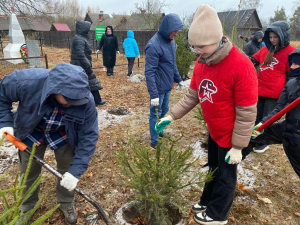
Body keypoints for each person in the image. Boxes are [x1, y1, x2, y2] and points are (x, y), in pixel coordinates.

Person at [155, 5, 258, 224]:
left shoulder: (241, 66)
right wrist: (170, 116)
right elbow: (192, 96)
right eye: (194, 47)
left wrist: (238, 146)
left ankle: (218, 214)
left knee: (226, 175)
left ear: (218, 38)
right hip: (214, 130)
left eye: (202, 46)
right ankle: (207, 200)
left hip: (231, 135)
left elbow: (246, 111)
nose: (198, 52)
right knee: (213, 168)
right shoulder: (202, 64)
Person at [0, 63, 99, 225]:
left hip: (62, 131)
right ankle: (27, 205)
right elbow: (1, 93)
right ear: (56, 89)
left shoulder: (85, 102)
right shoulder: (27, 82)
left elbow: (89, 137)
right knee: (28, 170)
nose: (74, 102)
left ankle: (66, 202)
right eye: (70, 98)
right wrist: (4, 122)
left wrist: (75, 172)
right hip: (31, 128)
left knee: (68, 166)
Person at [243, 48, 300, 179]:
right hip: (286, 128)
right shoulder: (291, 83)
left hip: (298, 138)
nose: (291, 67)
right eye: (291, 63)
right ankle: (228, 169)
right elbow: (279, 108)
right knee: (251, 139)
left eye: (296, 64)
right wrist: (262, 124)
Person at [250, 21, 296, 153]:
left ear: (283, 36)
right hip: (260, 89)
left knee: (268, 117)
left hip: (275, 92)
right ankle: (254, 137)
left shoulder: (291, 52)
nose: (272, 40)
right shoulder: (265, 49)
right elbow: (254, 60)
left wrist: (288, 94)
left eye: (275, 37)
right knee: (257, 115)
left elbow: (291, 75)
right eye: (270, 37)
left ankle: (263, 141)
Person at [145, 13, 184, 149]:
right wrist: (154, 94)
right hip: (158, 88)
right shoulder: (154, 45)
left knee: (164, 110)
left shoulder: (170, 42)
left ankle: (159, 132)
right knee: (155, 114)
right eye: (175, 31)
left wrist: (179, 80)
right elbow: (149, 72)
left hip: (167, 86)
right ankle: (154, 142)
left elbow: (172, 64)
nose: (177, 34)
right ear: (168, 29)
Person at [71, 20, 106, 106]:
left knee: (91, 82)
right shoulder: (79, 39)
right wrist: (88, 65)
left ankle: (96, 100)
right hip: (80, 65)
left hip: (82, 65)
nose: (88, 31)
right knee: (87, 82)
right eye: (87, 29)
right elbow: (81, 54)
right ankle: (92, 101)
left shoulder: (81, 38)